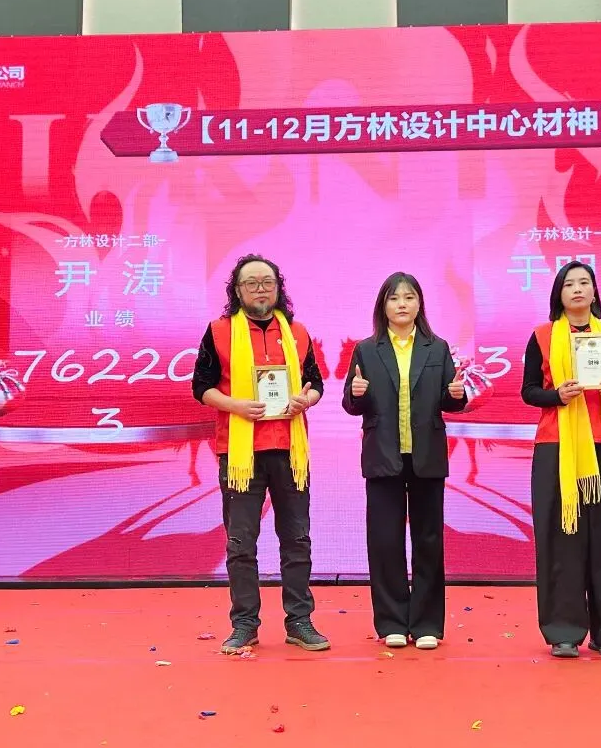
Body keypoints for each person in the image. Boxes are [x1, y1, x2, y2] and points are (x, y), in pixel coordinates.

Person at [192, 254, 330, 654]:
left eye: (267, 282)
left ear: (278, 288)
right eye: (251, 283)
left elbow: (315, 383)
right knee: (241, 543)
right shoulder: (218, 332)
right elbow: (201, 387)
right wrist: (235, 405)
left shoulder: (298, 332)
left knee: (297, 539)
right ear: (237, 291)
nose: (260, 289)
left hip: (289, 451)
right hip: (240, 455)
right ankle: (244, 624)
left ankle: (299, 621)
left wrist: (305, 400)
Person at [342, 272, 468, 650]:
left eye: (409, 297)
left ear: (419, 304)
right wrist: (356, 393)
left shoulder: (437, 347)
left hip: (426, 454)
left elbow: (449, 400)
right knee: (385, 541)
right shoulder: (367, 350)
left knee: (428, 540)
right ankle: (392, 622)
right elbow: (351, 404)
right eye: (394, 298)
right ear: (383, 305)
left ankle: (427, 623)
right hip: (383, 455)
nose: (402, 304)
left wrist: (456, 394)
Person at [521, 260, 601, 659]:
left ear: (594, 291)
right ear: (559, 293)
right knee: (561, 540)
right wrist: (558, 395)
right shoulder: (542, 336)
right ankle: (564, 632)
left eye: (584, 282)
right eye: (569, 284)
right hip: (558, 447)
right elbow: (529, 391)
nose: (577, 289)